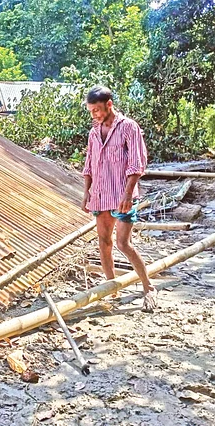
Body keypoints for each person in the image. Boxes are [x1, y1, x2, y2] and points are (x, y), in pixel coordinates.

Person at [81, 86, 157, 312]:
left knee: (124, 244)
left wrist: (127, 194)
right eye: (91, 111)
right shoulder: (94, 132)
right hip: (101, 195)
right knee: (104, 244)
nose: (94, 114)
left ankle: (148, 287)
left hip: (122, 196)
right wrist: (86, 192)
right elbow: (89, 165)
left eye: (97, 110)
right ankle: (112, 288)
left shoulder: (128, 128)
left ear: (109, 104)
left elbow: (136, 164)